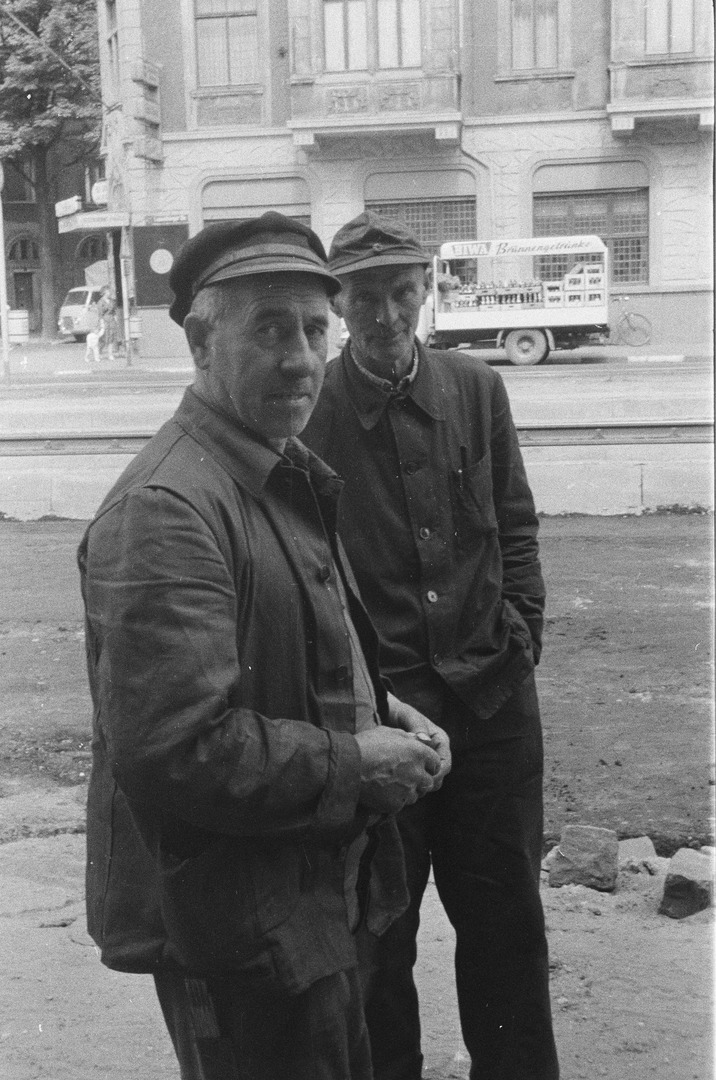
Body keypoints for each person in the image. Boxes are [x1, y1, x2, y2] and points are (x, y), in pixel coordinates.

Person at [78, 212, 451, 1080]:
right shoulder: (169, 510)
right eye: (271, 330)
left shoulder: (267, 467)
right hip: (239, 932)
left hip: (306, 907)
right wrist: (358, 763)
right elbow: (176, 747)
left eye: (316, 329)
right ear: (202, 343)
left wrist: (380, 705)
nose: (303, 358)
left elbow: (291, 649)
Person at [302, 211, 560, 1080]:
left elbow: (515, 523)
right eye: (364, 296)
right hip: (385, 721)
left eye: (400, 291)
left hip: (493, 704)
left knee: (507, 928)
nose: (384, 314)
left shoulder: (477, 388)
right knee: (379, 937)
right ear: (340, 304)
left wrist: (521, 626)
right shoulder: (312, 414)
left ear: (426, 290)